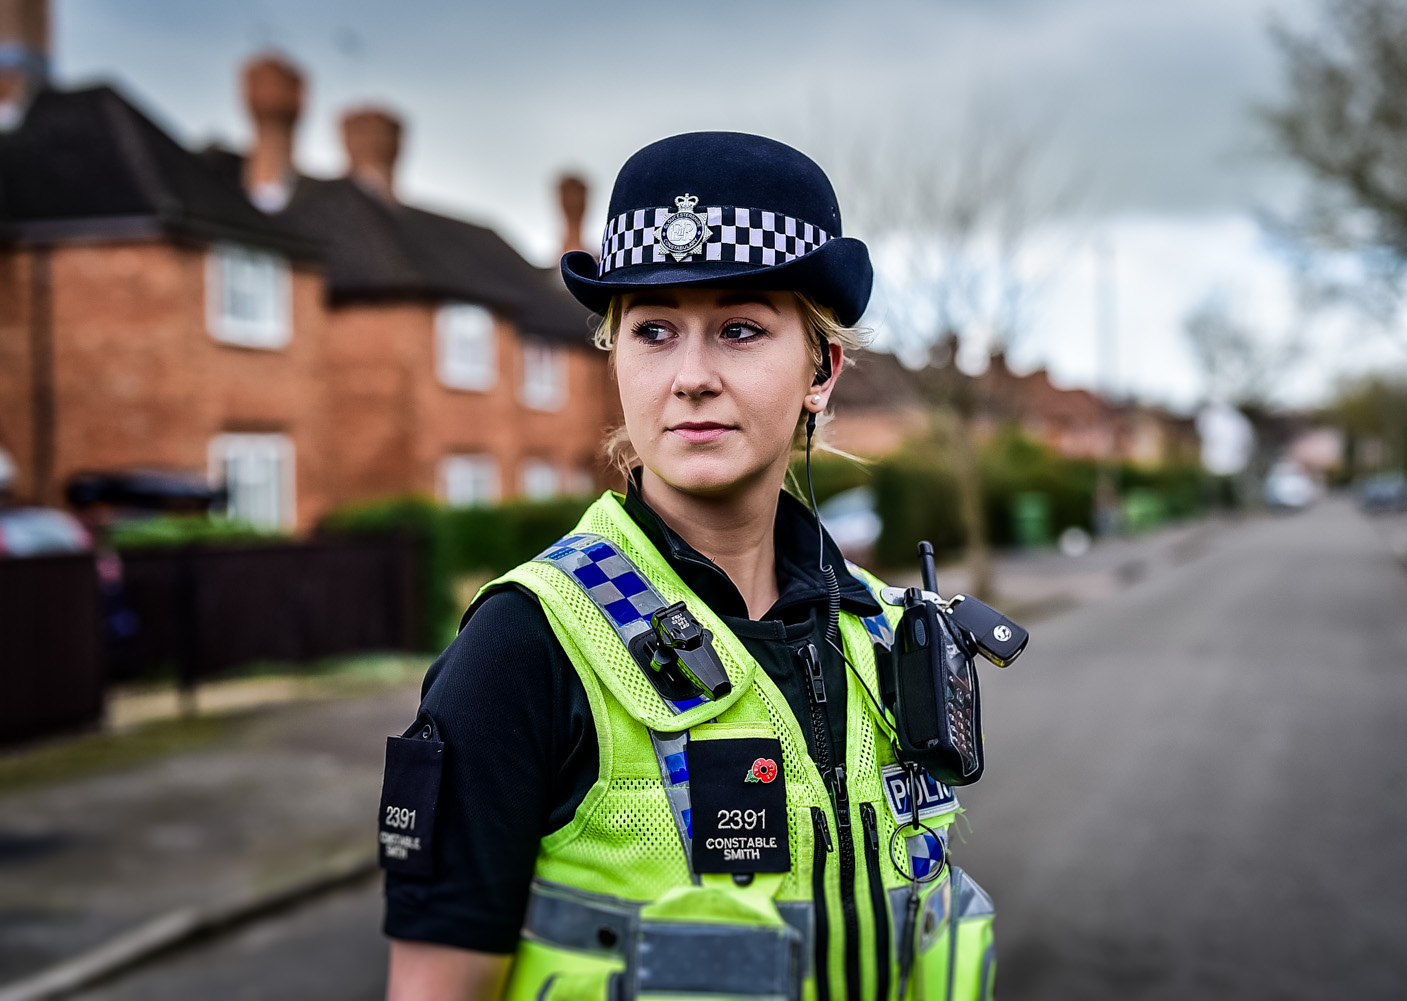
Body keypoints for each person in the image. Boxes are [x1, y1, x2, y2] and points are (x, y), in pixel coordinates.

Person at [382, 132, 996, 1001]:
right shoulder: (526, 645)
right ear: (617, 356)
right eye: (655, 330)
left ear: (822, 369)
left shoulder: (888, 636)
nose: (691, 377)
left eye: (740, 329)